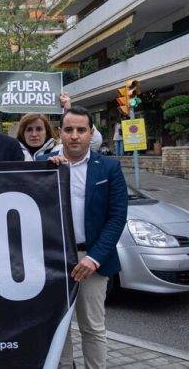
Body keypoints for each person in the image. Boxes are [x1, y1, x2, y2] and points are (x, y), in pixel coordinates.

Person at [41, 106, 128, 369]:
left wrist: (94, 258)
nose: (75, 136)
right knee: (59, 326)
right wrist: (46, 170)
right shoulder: (45, 165)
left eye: (81, 130)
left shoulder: (109, 168)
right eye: (69, 130)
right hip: (55, 259)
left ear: (91, 133)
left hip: (91, 260)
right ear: (60, 133)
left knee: (92, 327)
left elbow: (117, 217)